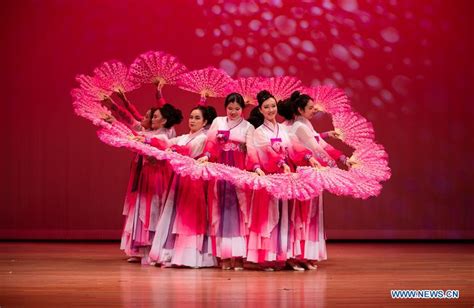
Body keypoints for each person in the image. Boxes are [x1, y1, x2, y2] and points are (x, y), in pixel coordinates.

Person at [246, 90, 322, 271]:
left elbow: (295, 147)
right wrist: (281, 163)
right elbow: (267, 153)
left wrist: (308, 157)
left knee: (288, 216)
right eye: (267, 107)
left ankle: (288, 256)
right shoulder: (259, 132)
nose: (271, 109)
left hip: (287, 176)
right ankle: (268, 258)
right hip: (271, 176)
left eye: (273, 106)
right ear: (260, 110)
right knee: (272, 217)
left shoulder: (284, 129)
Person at [148, 106, 218, 268]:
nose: (192, 120)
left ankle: (188, 256)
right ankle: (169, 254)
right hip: (179, 180)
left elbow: (186, 151)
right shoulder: (185, 136)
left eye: (197, 118)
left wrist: (171, 149)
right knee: (173, 216)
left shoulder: (204, 138)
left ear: (205, 122)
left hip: (193, 182)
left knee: (189, 218)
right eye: (191, 117)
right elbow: (165, 142)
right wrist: (146, 140)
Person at [196, 93, 255, 270]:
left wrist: (254, 168)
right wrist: (206, 156)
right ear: (225, 107)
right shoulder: (218, 122)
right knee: (220, 211)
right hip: (220, 171)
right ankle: (224, 255)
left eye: (237, 109)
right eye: (230, 108)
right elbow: (211, 144)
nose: (233, 112)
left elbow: (251, 152)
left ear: (243, 109)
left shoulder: (248, 126)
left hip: (238, 173)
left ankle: (238, 256)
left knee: (238, 213)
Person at [121, 104, 183, 264]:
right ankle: (144, 249)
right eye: (152, 116)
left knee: (155, 211)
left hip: (159, 176)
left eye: (155, 116)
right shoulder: (149, 133)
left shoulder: (166, 135)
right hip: (146, 175)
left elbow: (155, 143)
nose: (151, 119)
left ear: (164, 120)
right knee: (143, 211)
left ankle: (156, 248)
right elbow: (134, 129)